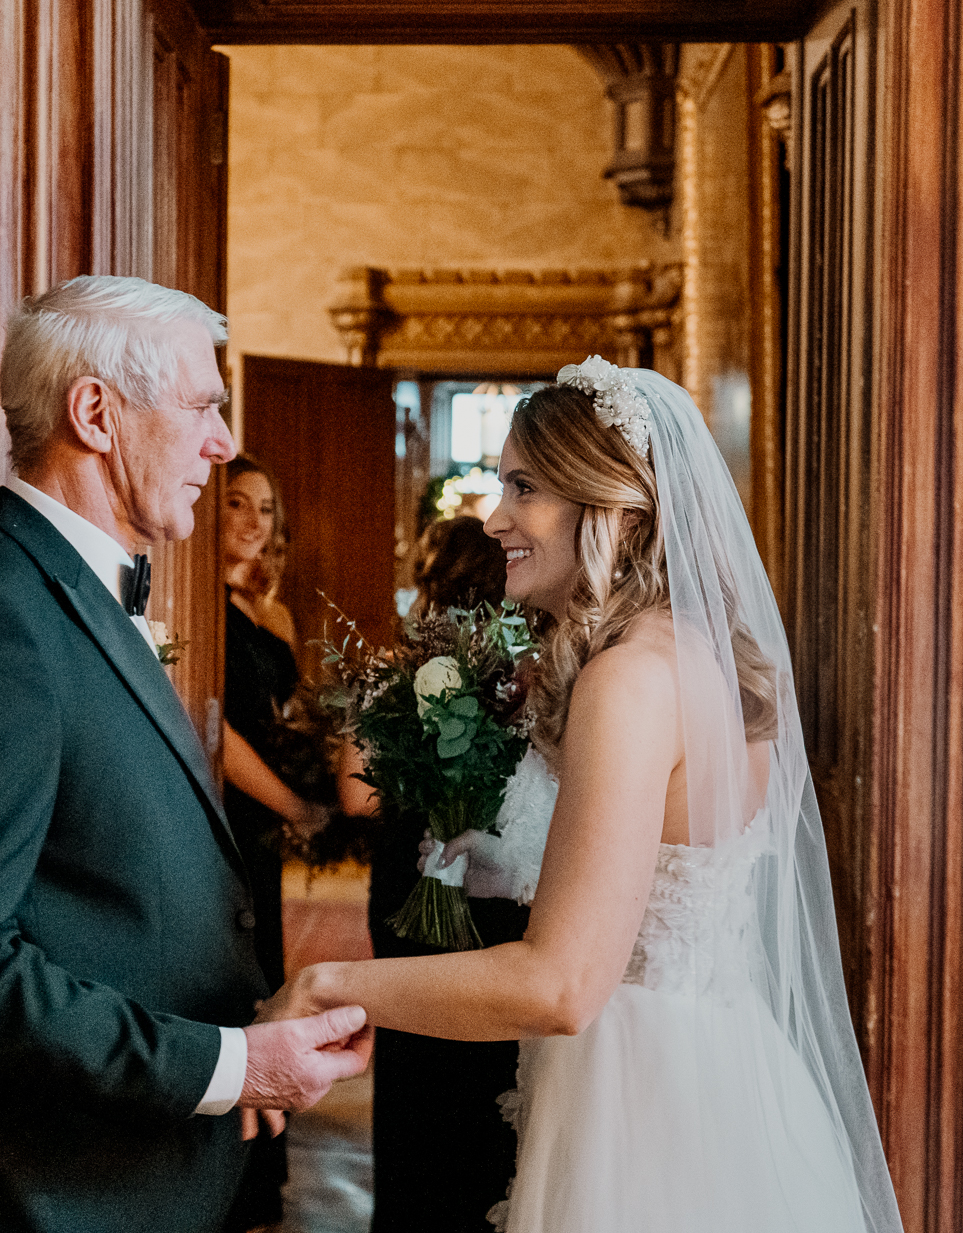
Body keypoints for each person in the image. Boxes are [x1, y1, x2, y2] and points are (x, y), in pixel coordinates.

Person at [267, 358, 904, 1232]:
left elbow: (561, 983)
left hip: (641, 1108)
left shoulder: (628, 681)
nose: (495, 521)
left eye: (523, 488)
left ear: (612, 508)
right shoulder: (699, 658)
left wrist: (328, 983)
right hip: (716, 1071)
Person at [0, 275, 370, 1233]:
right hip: (19, 1195)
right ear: (96, 414)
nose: (223, 443)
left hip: (106, 1178)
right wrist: (231, 1065)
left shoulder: (60, 586)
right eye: (204, 405)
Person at [367, 515, 528, 1233]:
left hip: (421, 882)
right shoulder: (518, 672)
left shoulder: (403, 668)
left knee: (413, 1057)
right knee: (474, 1074)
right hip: (470, 890)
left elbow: (352, 787)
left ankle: (409, 1208)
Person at [217, 453, 323, 1232]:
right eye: (237, 503)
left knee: (268, 973)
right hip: (224, 814)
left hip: (268, 830)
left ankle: (263, 1178)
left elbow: (292, 720)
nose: (254, 522)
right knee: (225, 977)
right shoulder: (197, 609)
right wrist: (292, 800)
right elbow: (211, 732)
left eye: (265, 508)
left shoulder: (275, 617)